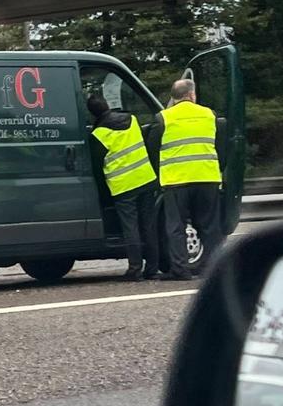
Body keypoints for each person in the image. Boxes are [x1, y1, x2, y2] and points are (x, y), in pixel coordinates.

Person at [151, 78, 224, 281]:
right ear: (192, 95)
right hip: (207, 177)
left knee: (176, 227)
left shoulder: (163, 118)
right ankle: (213, 269)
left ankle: (180, 270)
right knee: (209, 226)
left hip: (176, 180)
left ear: (173, 98)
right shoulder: (210, 115)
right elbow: (221, 146)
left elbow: (152, 149)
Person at [87, 95, 160, 281]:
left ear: (92, 113)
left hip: (123, 186)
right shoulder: (132, 119)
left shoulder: (99, 135)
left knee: (131, 228)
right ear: (107, 105)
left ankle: (135, 269)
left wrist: (102, 194)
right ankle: (152, 267)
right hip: (145, 179)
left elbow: (97, 167)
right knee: (149, 225)